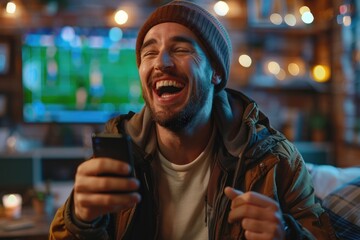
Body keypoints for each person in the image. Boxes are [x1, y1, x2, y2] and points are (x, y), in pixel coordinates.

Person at [49, 1, 337, 239]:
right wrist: (80, 220)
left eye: (181, 49)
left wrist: (287, 233)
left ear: (216, 73)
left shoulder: (274, 159)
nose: (161, 62)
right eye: (149, 52)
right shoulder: (119, 155)